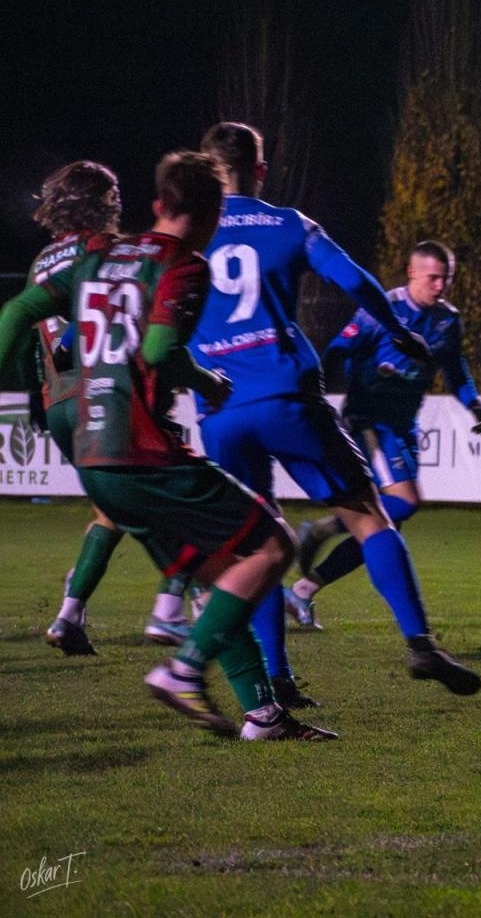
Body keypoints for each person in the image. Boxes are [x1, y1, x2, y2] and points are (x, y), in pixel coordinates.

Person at [0, 151, 334, 739]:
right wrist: (207, 381)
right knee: (272, 545)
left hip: (91, 448)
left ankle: (262, 713)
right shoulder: (182, 263)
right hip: (140, 447)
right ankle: (182, 669)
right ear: (212, 212)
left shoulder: (93, 257)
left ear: (157, 204)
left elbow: (21, 313)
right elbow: (156, 353)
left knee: (218, 573)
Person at [187, 122, 480, 701]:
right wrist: (399, 331)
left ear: (205, 169)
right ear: (260, 170)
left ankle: (277, 680)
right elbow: (358, 281)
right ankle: (419, 643)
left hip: (218, 410)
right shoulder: (290, 224)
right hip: (286, 395)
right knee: (368, 513)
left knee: (257, 541)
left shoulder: (184, 236)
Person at [26, 162, 195, 655]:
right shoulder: (100, 249)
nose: (119, 200)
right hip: (104, 396)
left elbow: (29, 335)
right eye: (113, 192)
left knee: (112, 509)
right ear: (97, 201)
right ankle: (172, 610)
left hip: (58, 401)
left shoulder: (41, 260)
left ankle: (69, 616)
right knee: (184, 489)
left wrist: (36, 395)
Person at [286, 239, 481, 617]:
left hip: (403, 426)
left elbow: (454, 369)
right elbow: (337, 350)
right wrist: (325, 392)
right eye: (433, 278)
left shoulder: (448, 319)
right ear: (412, 273)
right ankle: (324, 533)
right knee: (403, 503)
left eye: (446, 279)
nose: (440, 286)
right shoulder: (382, 310)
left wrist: (474, 403)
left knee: (388, 522)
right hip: (369, 420)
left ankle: (305, 583)